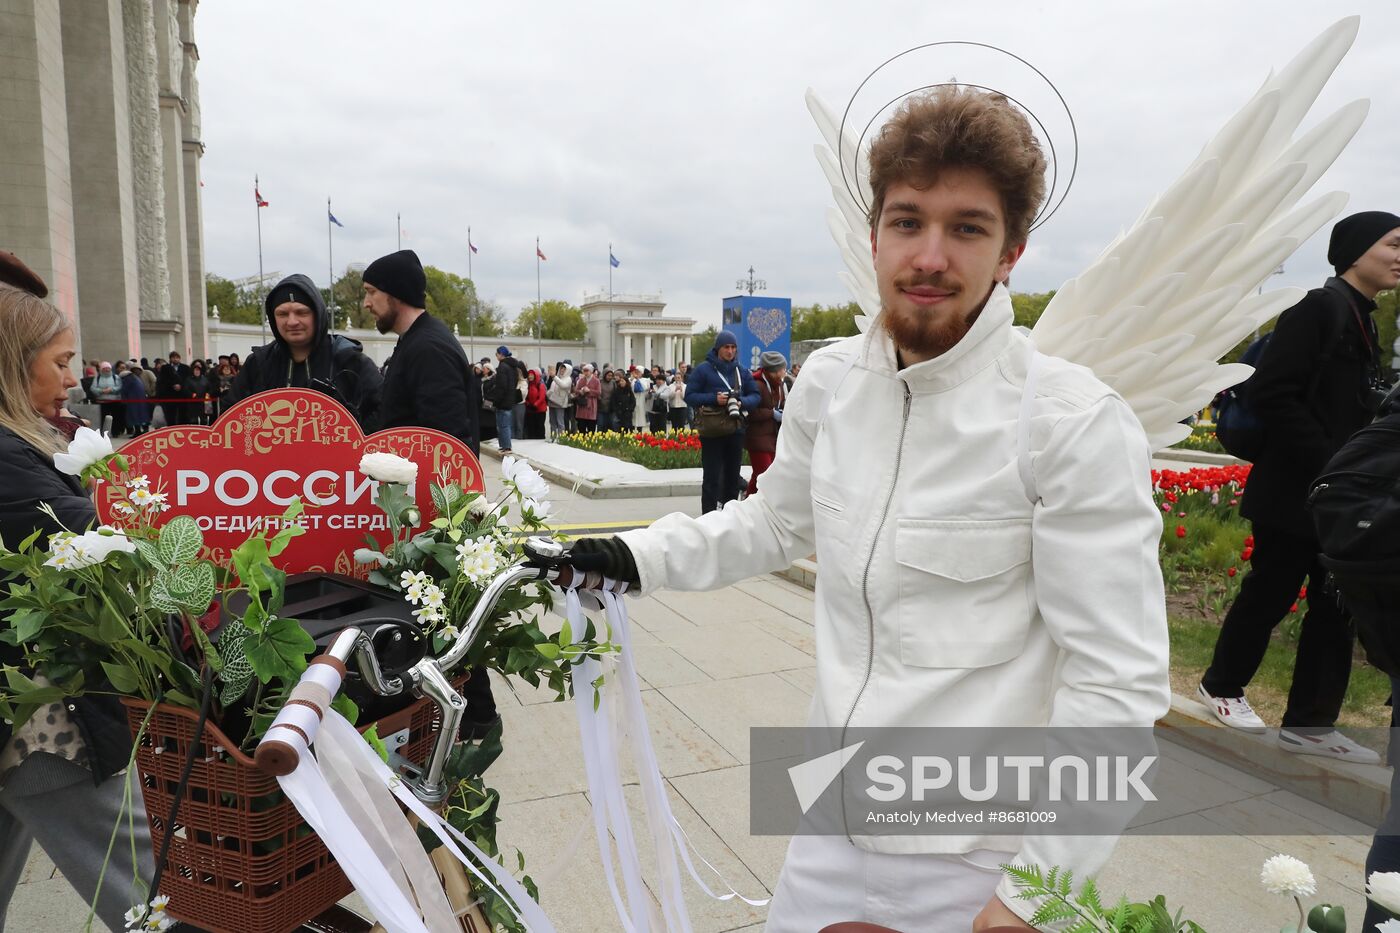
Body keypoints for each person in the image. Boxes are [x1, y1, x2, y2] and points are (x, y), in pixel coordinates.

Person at [563, 86, 1170, 931]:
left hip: (979, 854)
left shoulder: (1067, 420)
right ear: (874, 233)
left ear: (1010, 253)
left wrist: (1034, 893)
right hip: (832, 820)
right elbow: (776, 522)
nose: (929, 254)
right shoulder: (832, 382)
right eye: (908, 220)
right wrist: (636, 555)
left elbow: (1117, 681)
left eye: (967, 227)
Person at [1198, 211, 1400, 763]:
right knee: (1272, 591)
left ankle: (1310, 723)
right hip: (1295, 490)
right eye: (1394, 244)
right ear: (1357, 250)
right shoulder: (1319, 307)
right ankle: (1221, 686)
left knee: (1337, 606)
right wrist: (1335, 462)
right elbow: (1272, 394)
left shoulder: (1363, 316)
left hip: (1334, 495)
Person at [0, 283, 155, 931]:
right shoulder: (8, 456)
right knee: (157, 895)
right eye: (60, 362)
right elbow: (97, 540)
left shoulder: (24, 440)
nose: (75, 377)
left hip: (29, 710)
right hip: (48, 718)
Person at [362, 250, 496, 738]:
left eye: (372, 293)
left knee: (444, 616)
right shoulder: (417, 342)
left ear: (394, 294)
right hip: (422, 504)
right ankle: (467, 712)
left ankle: (476, 717)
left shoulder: (429, 347)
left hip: (434, 509)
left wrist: (433, 512)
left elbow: (445, 442)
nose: (367, 304)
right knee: (438, 614)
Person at [227, 273, 383, 429]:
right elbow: (230, 419)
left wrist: (349, 439)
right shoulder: (258, 363)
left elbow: (383, 412)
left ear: (318, 314)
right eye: (282, 314)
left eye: (302, 312)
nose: (292, 321)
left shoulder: (351, 361)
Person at [686, 330, 759, 513]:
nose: (730, 351)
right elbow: (690, 396)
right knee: (711, 477)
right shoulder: (703, 370)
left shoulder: (741, 371)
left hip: (735, 429)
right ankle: (709, 517)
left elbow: (755, 396)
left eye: (733, 347)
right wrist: (713, 398)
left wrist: (742, 402)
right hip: (712, 432)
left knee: (732, 477)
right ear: (718, 348)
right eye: (726, 347)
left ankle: (729, 516)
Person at [745, 350, 788, 496]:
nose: (784, 371)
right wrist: (772, 413)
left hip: (772, 437)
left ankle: (748, 501)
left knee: (760, 476)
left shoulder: (779, 385)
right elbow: (751, 413)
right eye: (782, 368)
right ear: (774, 370)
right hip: (757, 438)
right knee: (763, 475)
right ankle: (752, 504)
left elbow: (780, 404)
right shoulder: (757, 385)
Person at [486, 346, 525, 453]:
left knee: (503, 425)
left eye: (497, 353)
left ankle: (506, 446)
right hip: (509, 399)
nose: (496, 355)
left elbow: (501, 386)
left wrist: (496, 400)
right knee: (504, 424)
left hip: (503, 401)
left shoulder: (503, 366)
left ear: (501, 354)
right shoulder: (512, 366)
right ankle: (504, 446)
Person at [155, 350, 192, 426]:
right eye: (173, 357)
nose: (175, 359)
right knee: (170, 414)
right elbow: (163, 380)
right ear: (170, 359)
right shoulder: (165, 368)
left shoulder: (185, 368)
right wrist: (173, 385)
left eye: (177, 357)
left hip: (182, 394)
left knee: (183, 413)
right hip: (170, 394)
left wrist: (181, 386)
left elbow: (187, 380)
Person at [90, 361, 124, 436]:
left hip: (115, 401)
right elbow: (93, 388)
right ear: (101, 369)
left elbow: (119, 387)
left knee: (116, 418)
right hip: (102, 402)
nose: (107, 370)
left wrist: (111, 389)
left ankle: (115, 432)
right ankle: (103, 433)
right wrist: (102, 391)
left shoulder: (116, 377)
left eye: (108, 368)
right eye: (105, 368)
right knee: (103, 418)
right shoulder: (97, 378)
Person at [121, 360, 150, 436]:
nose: (138, 371)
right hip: (134, 401)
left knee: (138, 416)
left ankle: (140, 431)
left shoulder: (135, 378)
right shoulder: (132, 378)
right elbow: (125, 389)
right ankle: (138, 431)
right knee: (136, 416)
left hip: (137, 401)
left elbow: (124, 389)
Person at [546, 361, 572, 438]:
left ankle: (561, 438)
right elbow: (552, 389)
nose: (562, 370)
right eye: (561, 368)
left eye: (564, 369)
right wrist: (547, 394)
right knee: (552, 421)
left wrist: (554, 377)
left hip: (560, 403)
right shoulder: (557, 377)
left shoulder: (568, 379)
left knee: (560, 422)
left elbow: (563, 385)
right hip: (552, 401)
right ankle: (553, 437)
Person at [572, 363, 600, 432]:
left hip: (591, 407)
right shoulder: (581, 380)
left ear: (591, 371)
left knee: (591, 429)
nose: (586, 372)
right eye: (584, 371)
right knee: (581, 428)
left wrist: (589, 391)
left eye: (587, 371)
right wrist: (581, 391)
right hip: (581, 407)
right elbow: (576, 391)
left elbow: (598, 392)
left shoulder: (596, 381)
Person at [609, 368, 637, 434]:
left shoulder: (629, 391)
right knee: (619, 429)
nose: (621, 383)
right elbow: (613, 402)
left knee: (627, 429)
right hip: (619, 413)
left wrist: (630, 409)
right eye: (620, 381)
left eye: (623, 381)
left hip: (627, 414)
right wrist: (617, 410)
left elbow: (633, 401)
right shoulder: (616, 391)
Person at [524, 369, 547, 440]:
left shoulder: (540, 385)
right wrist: (528, 404)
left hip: (540, 410)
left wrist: (535, 405)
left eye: (532, 375)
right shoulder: (528, 385)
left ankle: (541, 440)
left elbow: (542, 397)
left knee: (539, 426)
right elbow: (526, 397)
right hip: (531, 410)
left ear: (535, 376)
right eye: (529, 375)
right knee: (531, 426)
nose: (530, 376)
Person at [187, 359, 212, 426]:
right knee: (193, 420)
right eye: (195, 370)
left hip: (204, 402)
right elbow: (186, 389)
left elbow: (210, 388)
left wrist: (208, 394)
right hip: (193, 402)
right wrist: (192, 394)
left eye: (198, 370)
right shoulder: (189, 379)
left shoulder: (205, 379)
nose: (197, 372)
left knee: (204, 419)